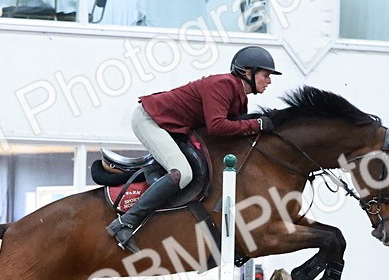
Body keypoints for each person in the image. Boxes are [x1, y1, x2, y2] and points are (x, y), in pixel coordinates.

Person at [106, 45, 282, 253]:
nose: (269, 81)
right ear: (248, 72)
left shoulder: (239, 96)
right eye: (266, 75)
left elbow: (234, 129)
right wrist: (257, 125)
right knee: (182, 173)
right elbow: (217, 126)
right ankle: (125, 222)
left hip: (172, 127)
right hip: (149, 120)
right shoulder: (223, 84)